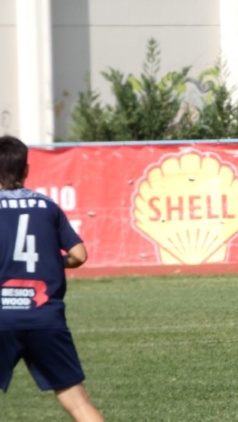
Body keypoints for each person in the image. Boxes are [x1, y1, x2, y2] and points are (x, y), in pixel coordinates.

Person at [0, 136, 104, 421]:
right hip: (45, 316)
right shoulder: (48, 206)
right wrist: (49, 260)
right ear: (26, 169)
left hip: (2, 316)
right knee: (78, 404)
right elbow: (79, 255)